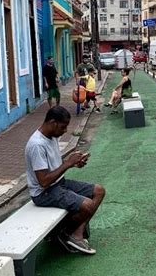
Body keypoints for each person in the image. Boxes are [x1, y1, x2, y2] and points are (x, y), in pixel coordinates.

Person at [25, 106, 105, 255]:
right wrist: (67, 164)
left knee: (99, 191)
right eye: (63, 127)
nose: (65, 131)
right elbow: (43, 182)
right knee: (87, 205)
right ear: (53, 122)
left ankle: (75, 234)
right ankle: (63, 233)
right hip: (43, 193)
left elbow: (55, 165)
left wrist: (75, 163)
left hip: (58, 184)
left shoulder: (52, 137)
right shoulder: (37, 145)